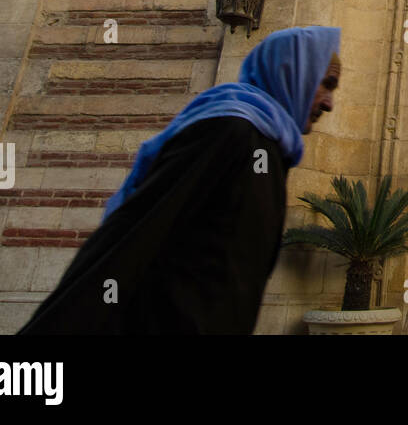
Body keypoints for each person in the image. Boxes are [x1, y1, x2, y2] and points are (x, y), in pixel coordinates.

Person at [18, 25, 342, 334]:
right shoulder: (229, 131)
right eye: (326, 83)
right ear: (291, 70)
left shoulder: (268, 145)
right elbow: (131, 235)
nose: (329, 103)